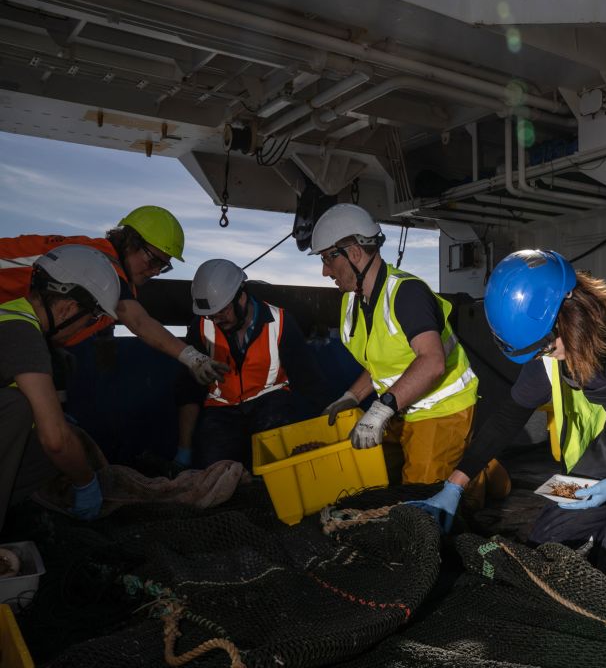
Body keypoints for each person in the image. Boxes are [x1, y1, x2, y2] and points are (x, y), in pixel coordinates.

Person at [409, 250, 606, 577]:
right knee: (547, 541)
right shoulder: (549, 350)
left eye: (545, 347)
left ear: (571, 311)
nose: (545, 357)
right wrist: (454, 485)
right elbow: (509, 416)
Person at [310, 203, 483, 487]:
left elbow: (432, 362)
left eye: (328, 259)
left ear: (353, 253)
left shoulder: (407, 293)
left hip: (441, 408)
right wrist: (351, 397)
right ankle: (469, 462)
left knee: (419, 499)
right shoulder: (353, 301)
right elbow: (385, 363)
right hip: (403, 406)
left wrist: (381, 409)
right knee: (370, 467)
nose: (325, 272)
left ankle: (480, 471)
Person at [0, 206, 229, 386]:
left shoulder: (101, 272)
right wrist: (193, 359)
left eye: (164, 267)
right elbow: (138, 321)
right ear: (130, 242)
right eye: (154, 260)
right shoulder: (103, 263)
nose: (157, 270)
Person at [0, 245, 122, 529]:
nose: (86, 328)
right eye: (91, 318)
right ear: (68, 308)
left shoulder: (10, 316)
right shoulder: (22, 332)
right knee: (22, 413)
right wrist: (86, 482)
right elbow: (55, 440)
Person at [174, 259, 329, 469]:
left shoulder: (281, 322)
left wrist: (324, 431)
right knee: (214, 470)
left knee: (278, 461)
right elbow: (188, 390)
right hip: (221, 411)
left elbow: (309, 381)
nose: (217, 320)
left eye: (222, 311)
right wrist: (184, 449)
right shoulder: (201, 328)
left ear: (241, 295)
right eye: (211, 315)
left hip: (271, 404)